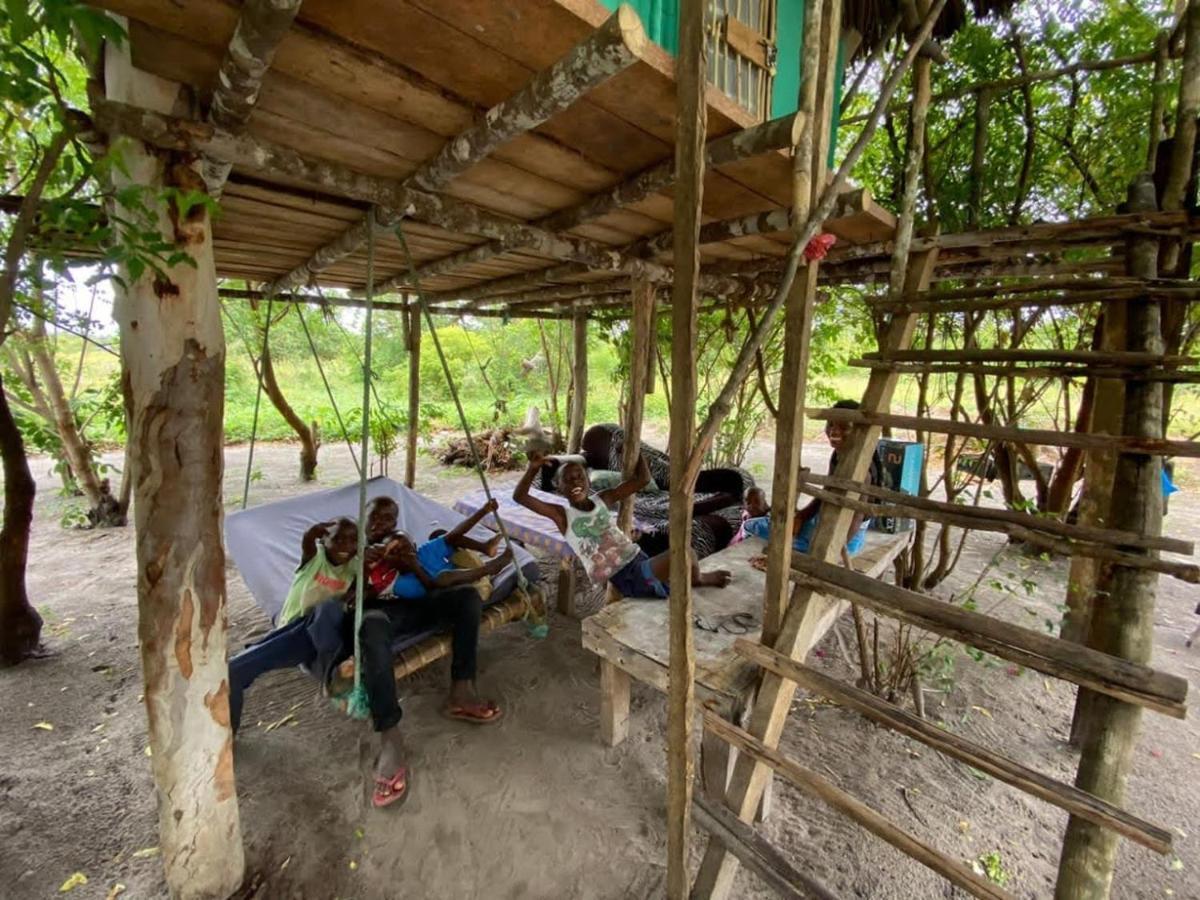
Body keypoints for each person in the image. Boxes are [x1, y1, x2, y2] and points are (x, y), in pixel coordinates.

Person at [353, 497, 512, 810]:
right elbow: (339, 588)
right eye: (374, 520)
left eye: (388, 521)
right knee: (369, 628)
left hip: (422, 605)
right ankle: (390, 736)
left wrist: (408, 560)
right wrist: (359, 563)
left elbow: (432, 578)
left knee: (466, 596)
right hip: (382, 615)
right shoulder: (354, 550)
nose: (380, 526)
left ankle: (462, 691)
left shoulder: (405, 547)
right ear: (363, 522)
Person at [513, 451, 731, 600]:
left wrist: (636, 454)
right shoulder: (562, 516)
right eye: (568, 480)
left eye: (579, 477)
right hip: (626, 575)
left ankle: (687, 581)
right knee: (685, 553)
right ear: (559, 489)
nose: (575, 482)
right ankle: (698, 580)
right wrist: (533, 469)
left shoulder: (603, 499)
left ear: (588, 482)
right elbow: (520, 497)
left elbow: (642, 480)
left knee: (683, 555)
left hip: (638, 559)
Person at [228, 517, 359, 733]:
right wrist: (313, 531)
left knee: (329, 609)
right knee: (238, 667)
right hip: (296, 628)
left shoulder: (352, 569)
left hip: (314, 636)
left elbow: (359, 587)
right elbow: (308, 540)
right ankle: (332, 674)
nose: (345, 545)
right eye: (338, 539)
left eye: (352, 540)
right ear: (324, 541)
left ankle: (332, 672)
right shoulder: (315, 559)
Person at [743, 399, 882, 557]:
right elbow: (825, 494)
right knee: (770, 527)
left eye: (844, 428)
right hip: (825, 523)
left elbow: (857, 517)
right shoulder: (839, 455)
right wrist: (801, 516)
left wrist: (832, 552)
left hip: (846, 538)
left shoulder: (863, 471)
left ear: (859, 432)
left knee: (753, 527)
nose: (834, 432)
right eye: (830, 425)